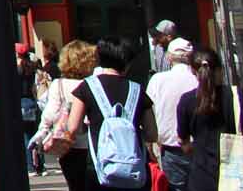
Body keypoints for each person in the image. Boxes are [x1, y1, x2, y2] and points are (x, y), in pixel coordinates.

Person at [47, 36, 159, 191]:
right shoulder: (138, 90)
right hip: (134, 169)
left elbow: (74, 128)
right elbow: (152, 134)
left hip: (99, 168)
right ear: (126, 63)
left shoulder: (86, 88)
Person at [178, 47, 243, 191]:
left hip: (201, 179)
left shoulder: (186, 101)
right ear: (220, 70)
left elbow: (183, 143)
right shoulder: (237, 96)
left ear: (193, 72)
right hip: (237, 178)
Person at [38, 40, 100, 191]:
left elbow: (51, 114)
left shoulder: (58, 85)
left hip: (67, 144)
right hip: (93, 144)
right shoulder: (94, 83)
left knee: (75, 185)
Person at [149, 40, 201, 191]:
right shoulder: (199, 79)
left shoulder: (157, 80)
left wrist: (150, 144)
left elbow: (149, 112)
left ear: (169, 58)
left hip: (170, 147)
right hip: (200, 146)